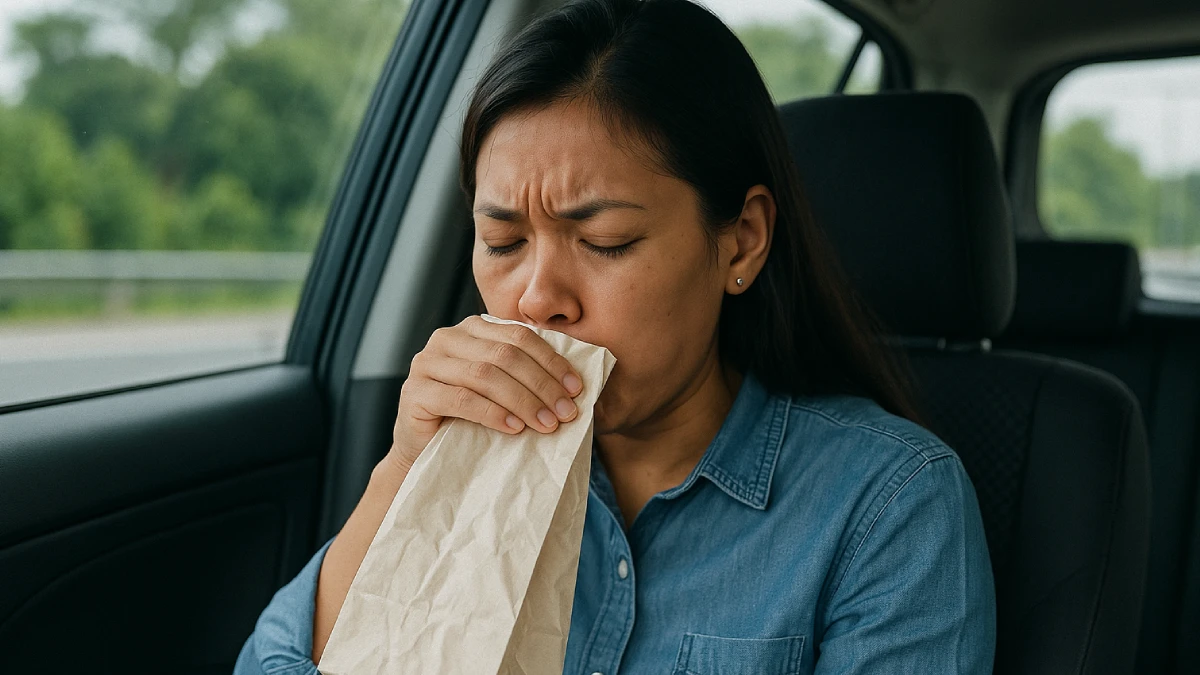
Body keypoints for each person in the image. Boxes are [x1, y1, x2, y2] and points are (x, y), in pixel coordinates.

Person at [234, 0, 996, 672]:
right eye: (502, 244)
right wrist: (405, 471)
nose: (536, 298)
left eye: (604, 241)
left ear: (741, 241)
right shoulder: (470, 459)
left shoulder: (889, 501)